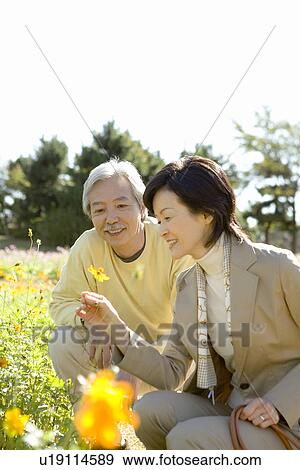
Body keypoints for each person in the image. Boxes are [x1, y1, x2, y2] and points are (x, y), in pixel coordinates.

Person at [76, 155, 300, 450]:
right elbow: (170, 372)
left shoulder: (276, 266)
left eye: (167, 217)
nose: (160, 228)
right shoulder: (189, 284)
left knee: (186, 438)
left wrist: (276, 403)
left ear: (206, 213)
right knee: (148, 412)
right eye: (157, 218)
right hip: (235, 408)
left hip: (287, 420)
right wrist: (115, 325)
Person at [48, 158, 193, 405]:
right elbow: (61, 302)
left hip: (166, 358)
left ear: (143, 208)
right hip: (111, 348)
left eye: (121, 205)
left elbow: (186, 328)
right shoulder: (88, 245)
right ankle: (104, 436)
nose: (111, 218)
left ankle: (166, 411)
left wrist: (137, 364)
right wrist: (91, 321)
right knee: (63, 342)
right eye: (99, 209)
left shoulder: (170, 242)